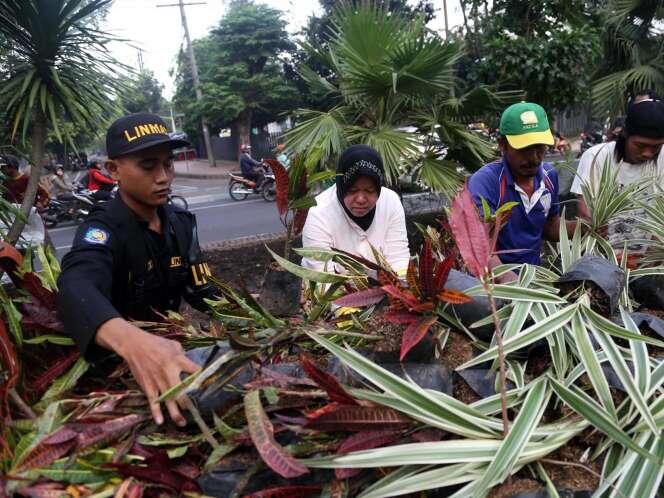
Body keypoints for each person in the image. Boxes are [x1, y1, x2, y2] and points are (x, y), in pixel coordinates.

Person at [57, 112, 217, 427]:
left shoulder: (180, 224)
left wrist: (248, 318)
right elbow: (76, 285)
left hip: (173, 351)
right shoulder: (102, 230)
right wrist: (133, 342)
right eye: (148, 165)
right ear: (113, 170)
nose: (163, 177)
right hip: (117, 374)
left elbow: (204, 289)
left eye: (168, 163)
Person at [468, 102, 573, 274]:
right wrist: (505, 278)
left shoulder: (549, 176)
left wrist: (585, 227)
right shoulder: (486, 182)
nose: (533, 158)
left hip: (534, 277)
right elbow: (480, 244)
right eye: (524, 149)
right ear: (502, 144)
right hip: (494, 285)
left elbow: (550, 228)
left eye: (539, 148)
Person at [571, 99, 664, 252]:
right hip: (603, 258)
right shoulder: (596, 157)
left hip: (646, 260)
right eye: (640, 145)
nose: (648, 153)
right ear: (625, 133)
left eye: (656, 147)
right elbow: (585, 213)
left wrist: (652, 256)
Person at [302, 144, 409, 275]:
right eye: (352, 190)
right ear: (341, 185)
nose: (361, 199)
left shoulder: (391, 201)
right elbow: (322, 275)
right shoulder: (319, 213)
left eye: (370, 191)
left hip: (384, 289)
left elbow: (398, 257)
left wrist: (402, 291)